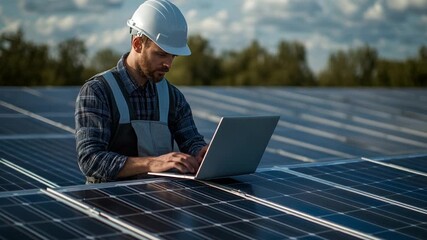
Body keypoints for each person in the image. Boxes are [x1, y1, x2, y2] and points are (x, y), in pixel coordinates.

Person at [75, 0, 208, 183]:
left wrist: (201, 152)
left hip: (160, 205)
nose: (168, 64)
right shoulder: (97, 91)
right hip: (110, 205)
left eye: (173, 56)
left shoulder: (173, 97)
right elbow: (90, 161)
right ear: (137, 44)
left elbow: (191, 140)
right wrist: (151, 163)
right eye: (161, 54)